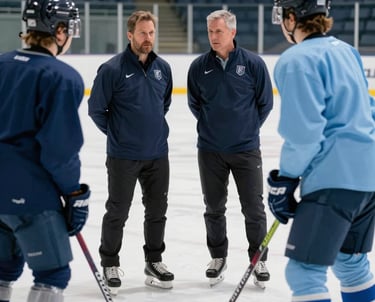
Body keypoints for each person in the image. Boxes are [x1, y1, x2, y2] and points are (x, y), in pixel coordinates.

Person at [267, 0, 375, 301]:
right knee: (350, 262)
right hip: (368, 179)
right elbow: (370, 111)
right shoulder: (346, 51)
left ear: (291, 18)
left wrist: (285, 180)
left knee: (304, 272)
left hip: (334, 180)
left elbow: (304, 134)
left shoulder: (296, 60)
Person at [0, 1, 90, 302]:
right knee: (52, 274)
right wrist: (74, 195)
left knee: (3, 268)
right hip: (31, 193)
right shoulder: (61, 77)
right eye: (70, 29)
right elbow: (59, 150)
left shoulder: (1, 63)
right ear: (59, 30)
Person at [88, 10, 174, 293]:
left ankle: (154, 261)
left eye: (151, 33)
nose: (148, 38)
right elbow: (97, 110)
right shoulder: (112, 69)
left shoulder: (163, 68)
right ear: (129, 35)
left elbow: (164, 104)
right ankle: (109, 262)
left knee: (157, 211)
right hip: (123, 155)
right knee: (118, 211)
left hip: (157, 154)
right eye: (142, 33)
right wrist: (119, 134)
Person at [187, 9, 274, 287]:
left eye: (219, 31)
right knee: (213, 207)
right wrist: (214, 128)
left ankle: (258, 258)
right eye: (210, 31)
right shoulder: (199, 67)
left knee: (254, 208)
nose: (213, 36)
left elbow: (265, 104)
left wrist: (246, 129)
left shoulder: (252, 64)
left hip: (246, 150)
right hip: (210, 150)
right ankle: (218, 257)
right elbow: (194, 104)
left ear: (232, 32)